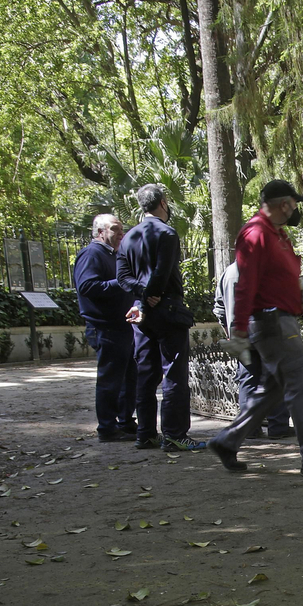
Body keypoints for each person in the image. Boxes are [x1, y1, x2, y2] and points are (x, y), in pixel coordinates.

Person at [208, 179, 303, 477]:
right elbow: (246, 285)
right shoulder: (256, 233)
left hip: (281, 319)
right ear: (285, 204)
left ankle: (227, 441)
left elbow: (272, 281)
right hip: (272, 324)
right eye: (294, 203)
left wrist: (300, 292)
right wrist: (239, 329)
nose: (296, 209)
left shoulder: (277, 234)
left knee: (272, 389)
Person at [118, 183, 204, 451]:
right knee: (174, 373)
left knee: (146, 373)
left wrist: (141, 295)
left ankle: (145, 434)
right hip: (165, 310)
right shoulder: (166, 233)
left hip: (141, 317)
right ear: (163, 203)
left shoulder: (127, 237)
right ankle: (175, 434)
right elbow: (162, 271)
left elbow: (122, 277)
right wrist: (149, 295)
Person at [72, 213, 136, 442]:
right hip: (105, 327)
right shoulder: (91, 253)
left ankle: (126, 422)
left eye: (121, 229)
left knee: (128, 379)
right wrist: (121, 283)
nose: (121, 233)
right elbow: (87, 286)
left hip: (122, 326)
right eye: (115, 229)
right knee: (110, 381)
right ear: (100, 232)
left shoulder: (114, 254)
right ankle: (107, 428)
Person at [214, 261, 292, 439]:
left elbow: (219, 307)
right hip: (265, 329)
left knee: (247, 379)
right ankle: (278, 426)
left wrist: (229, 331)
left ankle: (250, 428)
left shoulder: (229, 272)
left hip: (239, 331)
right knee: (275, 376)